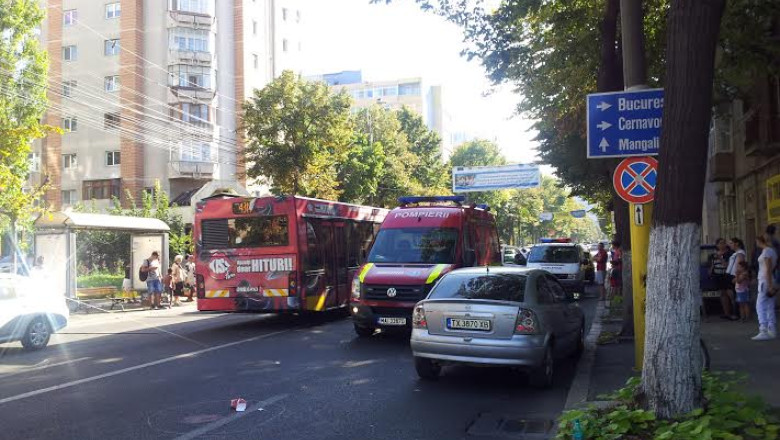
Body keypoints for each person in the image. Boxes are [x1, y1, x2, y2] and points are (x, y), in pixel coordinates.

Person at [752, 235, 777, 341]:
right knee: (770, 305)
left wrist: (770, 285)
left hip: (765, 280)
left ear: (759, 241)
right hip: (769, 279)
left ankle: (763, 329)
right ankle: (772, 329)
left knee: (760, 305)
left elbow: (768, 269)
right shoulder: (772, 251)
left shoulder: (766, 252)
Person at [712, 238, 736, 320]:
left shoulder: (729, 253)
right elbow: (712, 264)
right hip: (718, 275)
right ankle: (726, 313)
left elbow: (728, 265)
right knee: (722, 294)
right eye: (720, 243)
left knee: (730, 293)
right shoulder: (714, 254)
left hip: (727, 275)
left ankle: (735, 312)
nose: (722, 245)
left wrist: (720, 258)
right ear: (717, 245)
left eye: (723, 243)